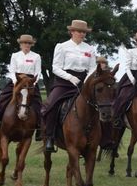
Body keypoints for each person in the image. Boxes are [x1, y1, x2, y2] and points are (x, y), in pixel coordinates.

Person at [41, 20, 96, 152]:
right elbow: (55, 68)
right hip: (64, 82)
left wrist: (86, 82)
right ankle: (50, 137)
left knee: (102, 104)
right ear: (72, 32)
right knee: (51, 105)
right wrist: (70, 77)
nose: (82, 34)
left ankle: (105, 139)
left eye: (84, 32)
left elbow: (93, 68)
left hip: (84, 81)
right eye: (79, 31)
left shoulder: (90, 48)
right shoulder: (62, 46)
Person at [0, 34, 43, 136]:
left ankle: (40, 127)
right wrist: (15, 81)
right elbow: (12, 70)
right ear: (20, 44)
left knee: (38, 103)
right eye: (24, 43)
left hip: (31, 82)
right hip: (17, 81)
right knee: (2, 98)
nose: (26, 45)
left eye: (28, 43)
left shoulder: (36, 56)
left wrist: (33, 83)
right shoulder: (15, 55)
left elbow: (38, 72)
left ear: (31, 45)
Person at [112, 31, 137, 128]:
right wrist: (133, 80)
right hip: (131, 76)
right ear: (136, 41)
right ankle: (117, 117)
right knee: (123, 96)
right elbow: (127, 68)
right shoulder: (131, 52)